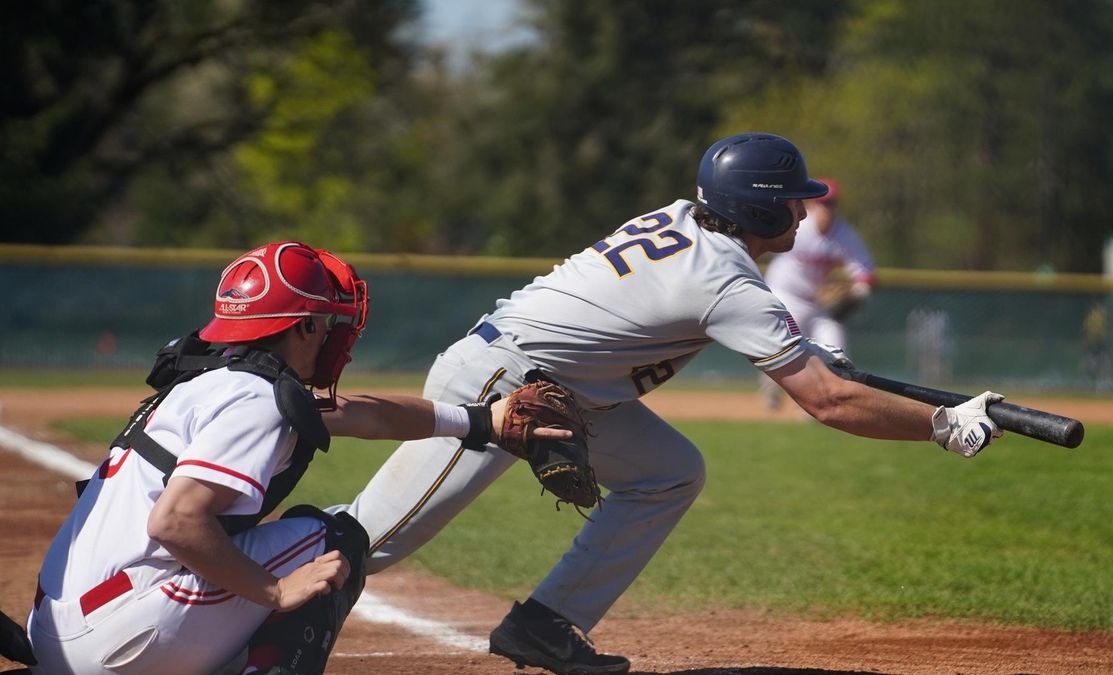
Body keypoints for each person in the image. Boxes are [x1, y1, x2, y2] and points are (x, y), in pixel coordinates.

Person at [345, 133, 1004, 675]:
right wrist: (943, 424)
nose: (803, 214)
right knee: (369, 544)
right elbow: (828, 402)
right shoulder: (727, 280)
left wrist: (798, 348)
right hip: (496, 383)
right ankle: (251, 582)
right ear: (763, 210)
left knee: (669, 470)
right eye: (793, 203)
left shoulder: (687, 222)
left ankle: (544, 625)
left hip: (570, 390)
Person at [23, 241, 567, 675]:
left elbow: (367, 415)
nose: (333, 336)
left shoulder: (213, 382)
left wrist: (478, 422)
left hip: (60, 637)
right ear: (304, 326)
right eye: (326, 322)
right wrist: (274, 591)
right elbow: (176, 519)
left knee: (287, 539)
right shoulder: (256, 399)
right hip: (129, 638)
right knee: (333, 541)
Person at [763, 177, 876, 352]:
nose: (827, 209)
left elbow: (865, 272)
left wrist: (857, 292)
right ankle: (772, 378)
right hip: (786, 297)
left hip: (819, 304)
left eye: (831, 204)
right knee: (784, 351)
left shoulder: (845, 235)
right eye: (822, 203)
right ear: (812, 205)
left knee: (836, 352)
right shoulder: (798, 226)